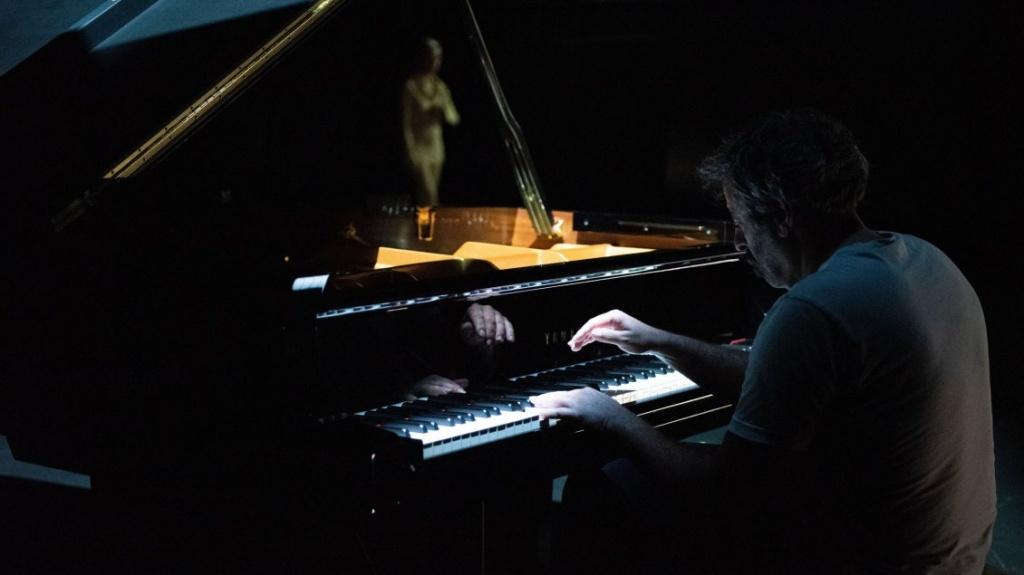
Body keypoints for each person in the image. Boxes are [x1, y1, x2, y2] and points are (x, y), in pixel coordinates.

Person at [533, 109, 995, 573]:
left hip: (870, 562)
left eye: (742, 222)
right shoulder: (924, 260)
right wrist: (657, 341)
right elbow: (782, 383)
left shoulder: (816, 307)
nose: (740, 243)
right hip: (953, 559)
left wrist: (612, 417)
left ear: (783, 218)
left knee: (604, 486)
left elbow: (725, 493)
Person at [401, 37, 460, 211]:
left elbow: (454, 118)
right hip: (419, 148)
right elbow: (405, 124)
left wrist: (442, 110)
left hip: (436, 146)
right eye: (431, 57)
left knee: (429, 199)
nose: (435, 61)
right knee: (428, 194)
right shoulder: (411, 86)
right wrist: (409, 150)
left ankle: (427, 225)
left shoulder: (440, 87)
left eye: (437, 57)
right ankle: (427, 226)